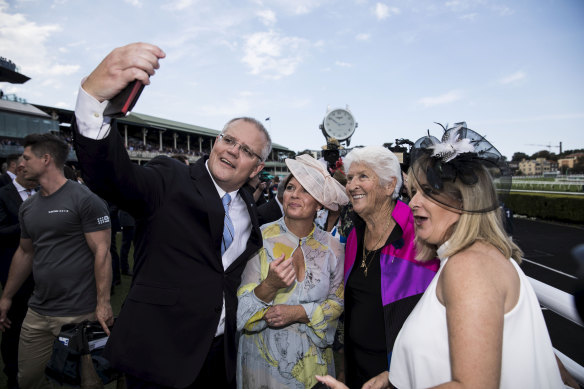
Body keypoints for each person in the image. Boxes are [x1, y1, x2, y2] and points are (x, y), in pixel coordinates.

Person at [72, 42, 271, 388]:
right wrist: (92, 103)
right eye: (228, 139)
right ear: (216, 141)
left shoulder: (248, 208)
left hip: (216, 357)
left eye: (247, 150)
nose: (232, 151)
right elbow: (116, 180)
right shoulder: (170, 177)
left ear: (257, 167)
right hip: (158, 356)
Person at [387, 125, 567, 388]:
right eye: (413, 192)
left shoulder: (469, 266)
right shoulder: (476, 258)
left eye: (428, 191)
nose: (413, 203)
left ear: (464, 201)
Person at [0, 134, 113, 389]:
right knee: (28, 379)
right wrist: (6, 297)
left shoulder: (85, 200)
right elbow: (25, 253)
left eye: (27, 158)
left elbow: (102, 252)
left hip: (79, 313)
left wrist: (104, 303)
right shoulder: (28, 207)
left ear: (46, 159)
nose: (21, 164)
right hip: (37, 311)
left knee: (87, 382)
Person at [236, 154, 349, 388]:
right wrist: (269, 286)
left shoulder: (333, 248)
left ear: (319, 203)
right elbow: (242, 314)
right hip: (263, 365)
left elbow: (337, 303)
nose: (295, 194)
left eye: (305, 190)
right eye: (290, 187)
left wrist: (299, 312)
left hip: (314, 366)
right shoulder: (259, 238)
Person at [341, 146, 439, 388]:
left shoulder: (420, 233)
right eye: (350, 178)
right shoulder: (355, 234)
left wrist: (396, 372)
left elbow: (440, 318)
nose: (352, 185)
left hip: (401, 373)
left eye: (363, 176)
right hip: (357, 367)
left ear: (389, 185)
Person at [0, 156, 37, 389]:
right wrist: (30, 225)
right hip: (14, 271)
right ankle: (12, 373)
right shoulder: (3, 194)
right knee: (14, 325)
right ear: (21, 169)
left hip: (43, 272)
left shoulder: (43, 193)